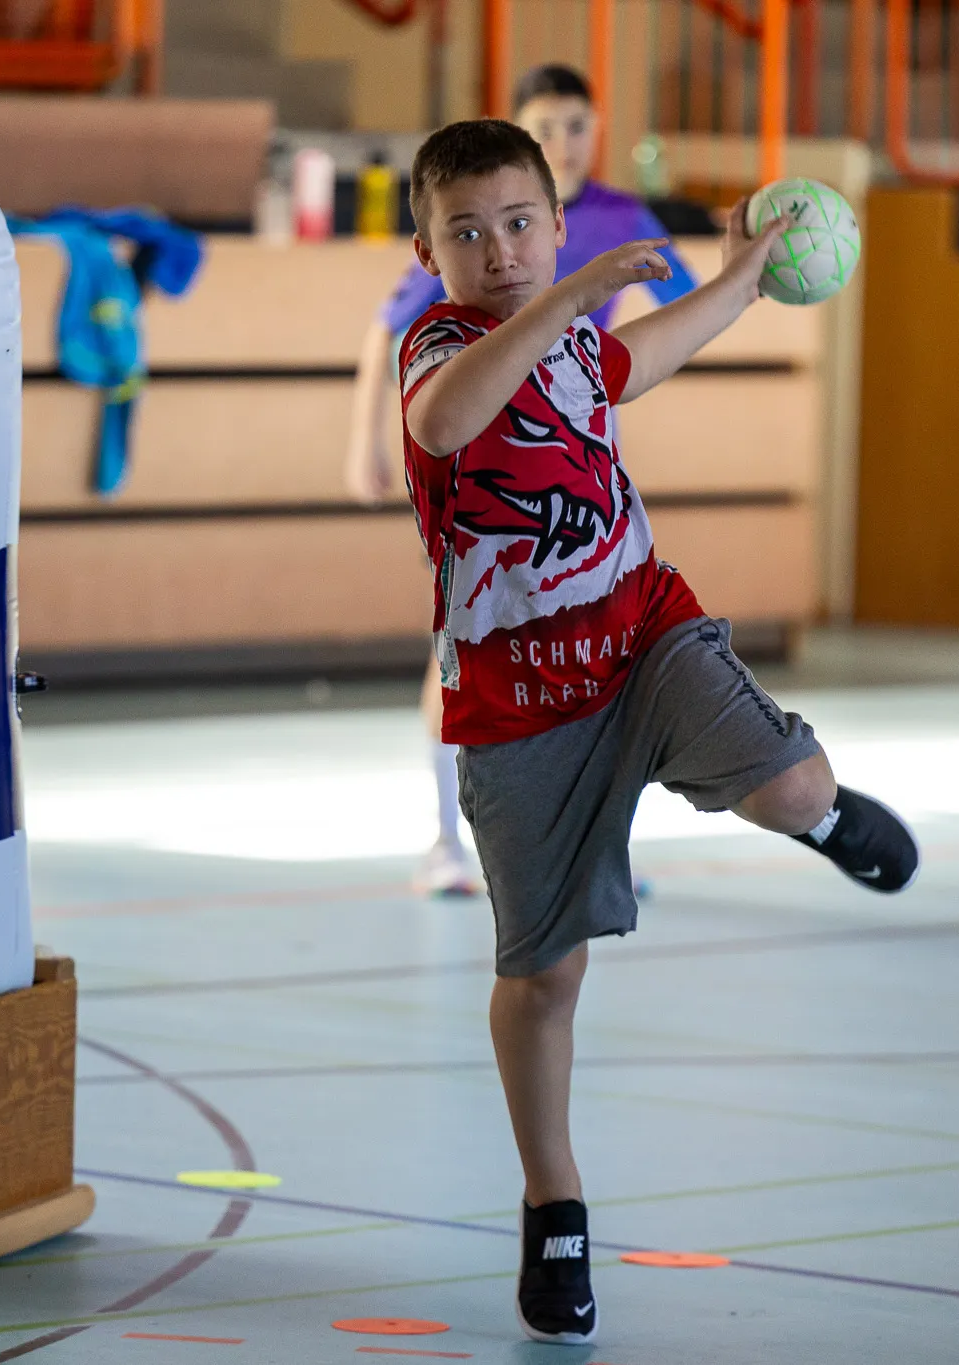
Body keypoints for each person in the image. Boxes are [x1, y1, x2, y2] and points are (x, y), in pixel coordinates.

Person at [396, 118, 919, 1346]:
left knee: (790, 787)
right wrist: (566, 295)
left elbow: (637, 358)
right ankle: (554, 1205)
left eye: (520, 223)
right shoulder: (440, 347)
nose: (499, 250)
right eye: (465, 232)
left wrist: (738, 275)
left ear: (556, 221)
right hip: (516, 707)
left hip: (639, 636)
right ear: (427, 250)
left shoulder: (572, 336)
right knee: (543, 975)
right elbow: (446, 424)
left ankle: (824, 817)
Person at [345, 63, 696, 898]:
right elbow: (387, 330)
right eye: (547, 127)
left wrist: (750, 272)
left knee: (604, 652)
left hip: (569, 453)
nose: (565, 142)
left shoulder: (622, 216)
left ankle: (596, 833)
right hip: (481, 462)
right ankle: (445, 837)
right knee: (473, 647)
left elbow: (653, 325)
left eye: (578, 125)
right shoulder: (478, 222)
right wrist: (363, 442)